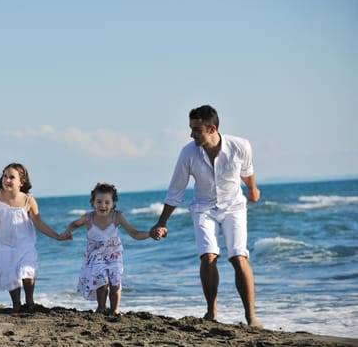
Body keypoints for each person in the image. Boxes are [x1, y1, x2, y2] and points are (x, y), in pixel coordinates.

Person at [150, 104, 262, 328]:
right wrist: (161, 223)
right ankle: (212, 312)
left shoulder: (241, 146)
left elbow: (247, 172)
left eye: (196, 129)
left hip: (234, 207)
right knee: (208, 256)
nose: (192, 134)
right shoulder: (188, 153)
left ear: (212, 129)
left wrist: (252, 189)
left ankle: (251, 318)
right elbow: (176, 190)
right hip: (203, 208)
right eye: (191, 128)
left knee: (239, 257)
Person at [0, 163, 69, 312]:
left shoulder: (28, 200)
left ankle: (30, 301)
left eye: (11, 177)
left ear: (21, 182)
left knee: (27, 270)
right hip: (2, 244)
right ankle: (16, 305)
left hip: (24, 243)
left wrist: (57, 236)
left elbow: (39, 224)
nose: (7, 180)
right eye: (5, 176)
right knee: (11, 275)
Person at [63, 183, 161, 315]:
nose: (103, 205)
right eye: (99, 202)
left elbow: (135, 234)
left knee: (115, 284)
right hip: (96, 255)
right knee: (101, 283)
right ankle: (101, 308)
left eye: (107, 202)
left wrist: (150, 234)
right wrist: (69, 231)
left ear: (113, 204)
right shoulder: (88, 217)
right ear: (92, 203)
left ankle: (115, 309)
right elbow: (74, 224)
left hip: (114, 255)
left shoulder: (117, 217)